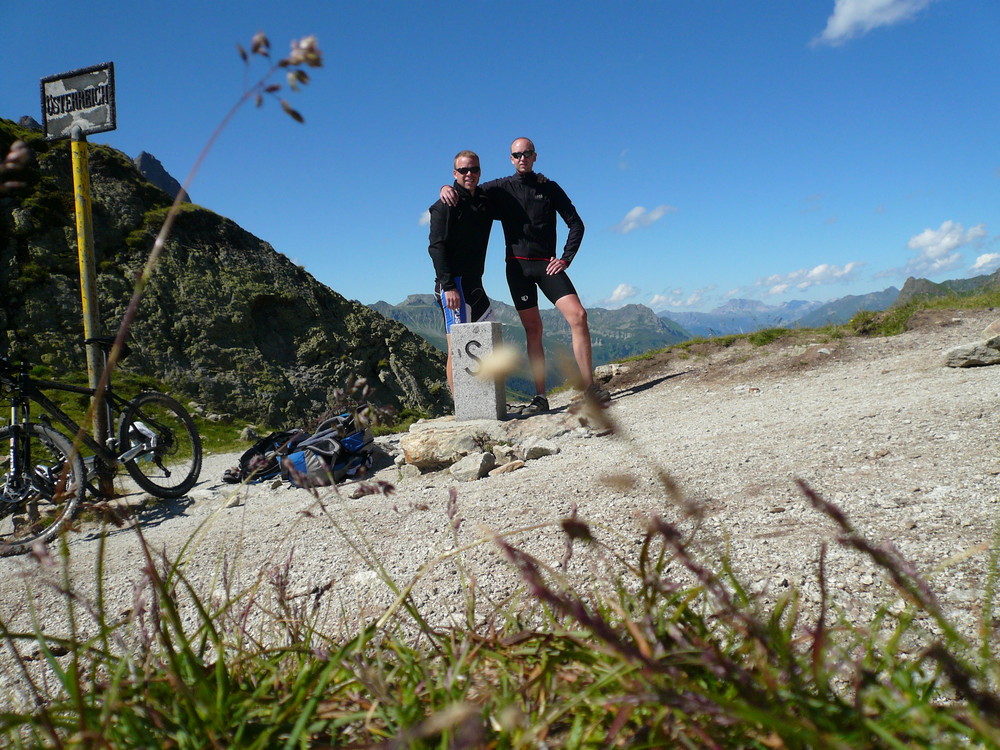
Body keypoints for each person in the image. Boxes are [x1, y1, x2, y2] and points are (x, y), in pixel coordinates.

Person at [441, 137, 610, 415]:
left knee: (578, 316)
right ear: (511, 158)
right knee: (534, 331)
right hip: (517, 268)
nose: (522, 158)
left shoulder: (549, 187)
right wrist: (446, 187)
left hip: (547, 265)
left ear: (535, 156)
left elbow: (576, 223)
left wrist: (566, 258)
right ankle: (540, 397)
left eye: (527, 153)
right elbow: (467, 190)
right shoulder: (500, 188)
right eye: (517, 154)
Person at [427, 149, 496, 395]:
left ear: (480, 171)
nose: (469, 174)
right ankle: (461, 406)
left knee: (486, 342)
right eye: (464, 170)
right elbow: (436, 247)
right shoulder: (445, 205)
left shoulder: (482, 200)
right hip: (453, 285)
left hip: (474, 283)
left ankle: (483, 399)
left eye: (474, 169)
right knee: (457, 348)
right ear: (455, 173)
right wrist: (448, 286)